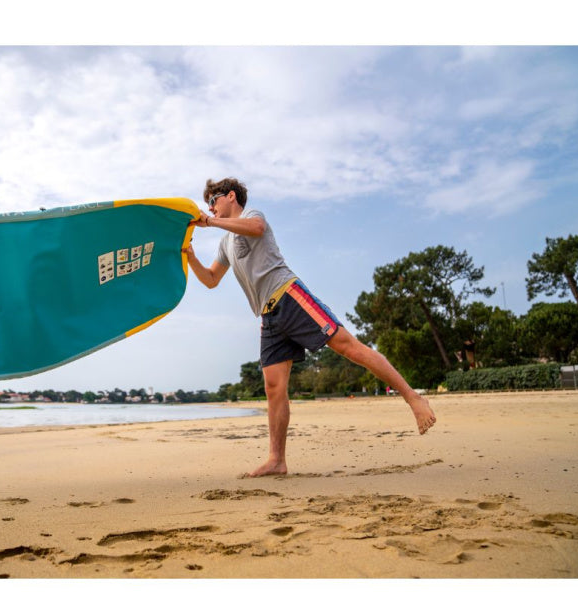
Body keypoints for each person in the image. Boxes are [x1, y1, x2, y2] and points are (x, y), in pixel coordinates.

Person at [183, 177, 437, 478]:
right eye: (209, 204)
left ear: (231, 196)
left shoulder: (253, 217)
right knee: (274, 388)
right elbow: (212, 280)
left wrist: (210, 222)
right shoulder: (225, 243)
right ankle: (277, 460)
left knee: (349, 348)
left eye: (214, 200)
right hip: (269, 317)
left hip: (290, 297)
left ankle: (413, 397)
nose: (210, 207)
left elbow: (257, 230)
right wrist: (191, 256)